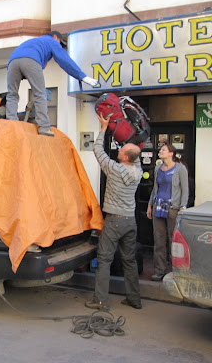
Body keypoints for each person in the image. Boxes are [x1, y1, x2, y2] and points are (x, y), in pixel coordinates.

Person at [85, 113, 143, 311]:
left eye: (122, 149)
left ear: (126, 157)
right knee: (129, 260)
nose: (119, 149)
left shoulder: (115, 170)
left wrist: (103, 128)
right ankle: (134, 299)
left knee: (104, 259)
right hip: (130, 221)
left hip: (114, 221)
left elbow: (97, 150)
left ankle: (100, 300)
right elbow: (134, 151)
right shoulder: (138, 171)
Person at [5, 31, 98, 136]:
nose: (60, 46)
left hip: (12, 62)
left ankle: (11, 123)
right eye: (60, 43)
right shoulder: (51, 41)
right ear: (55, 37)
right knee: (40, 94)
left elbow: (23, 68)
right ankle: (44, 127)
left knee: (12, 94)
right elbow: (64, 60)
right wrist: (81, 76)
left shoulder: (35, 42)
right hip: (31, 60)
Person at [147, 144, 188, 281]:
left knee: (173, 239)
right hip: (158, 207)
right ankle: (159, 270)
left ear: (171, 153)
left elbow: (185, 189)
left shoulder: (180, 168)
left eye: (163, 150)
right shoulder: (158, 168)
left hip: (172, 208)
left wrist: (182, 207)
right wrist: (150, 205)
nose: (160, 151)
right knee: (159, 239)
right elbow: (155, 188)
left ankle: (175, 271)